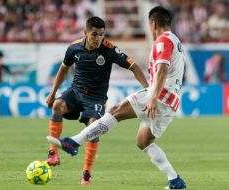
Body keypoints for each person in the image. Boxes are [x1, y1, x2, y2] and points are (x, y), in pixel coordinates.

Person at [48, 7, 187, 189]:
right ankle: (175, 180)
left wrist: (152, 98)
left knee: (115, 111)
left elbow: (161, 70)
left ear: (153, 24)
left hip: (160, 95)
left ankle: (74, 142)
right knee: (143, 141)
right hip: (171, 102)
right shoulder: (175, 41)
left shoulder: (163, 41)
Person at [45, 16, 148, 185]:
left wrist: (148, 90)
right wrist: (52, 92)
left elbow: (134, 66)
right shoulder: (73, 48)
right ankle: (53, 154)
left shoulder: (110, 50)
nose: (98, 38)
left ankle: (86, 172)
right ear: (85, 33)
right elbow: (63, 69)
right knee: (57, 105)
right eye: (94, 34)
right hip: (76, 91)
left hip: (96, 98)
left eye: (101, 34)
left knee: (93, 127)